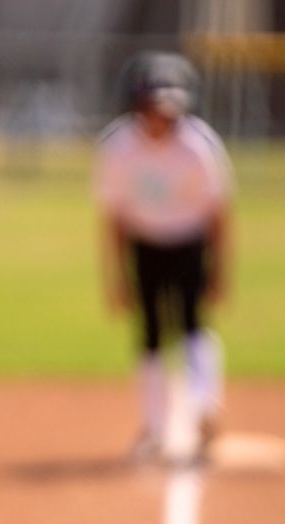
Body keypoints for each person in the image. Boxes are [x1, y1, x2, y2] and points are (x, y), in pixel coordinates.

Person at [93, 51, 234, 464]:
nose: (161, 119)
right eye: (153, 109)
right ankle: (154, 428)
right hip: (146, 246)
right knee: (151, 335)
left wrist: (219, 270)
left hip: (190, 244)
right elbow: (113, 217)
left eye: (169, 110)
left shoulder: (198, 145)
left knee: (193, 327)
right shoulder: (119, 147)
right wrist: (116, 277)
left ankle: (206, 408)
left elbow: (218, 213)